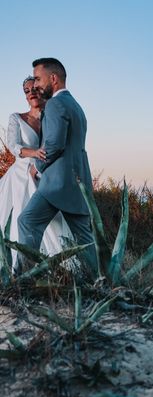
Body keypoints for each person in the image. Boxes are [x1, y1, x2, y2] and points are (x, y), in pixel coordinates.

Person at [17, 58, 97, 276]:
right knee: (85, 238)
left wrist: (38, 167)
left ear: (53, 78)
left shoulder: (55, 104)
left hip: (57, 183)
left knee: (27, 221)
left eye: (39, 79)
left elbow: (54, 144)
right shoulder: (76, 106)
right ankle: (97, 280)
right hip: (78, 182)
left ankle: (23, 279)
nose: (36, 85)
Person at [0, 76, 72, 269]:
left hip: (46, 174)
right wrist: (34, 153)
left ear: (43, 90)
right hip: (21, 177)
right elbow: (13, 145)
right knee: (20, 220)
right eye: (26, 90)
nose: (31, 92)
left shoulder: (52, 116)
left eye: (34, 88)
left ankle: (59, 267)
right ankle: (20, 269)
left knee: (55, 222)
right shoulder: (17, 118)